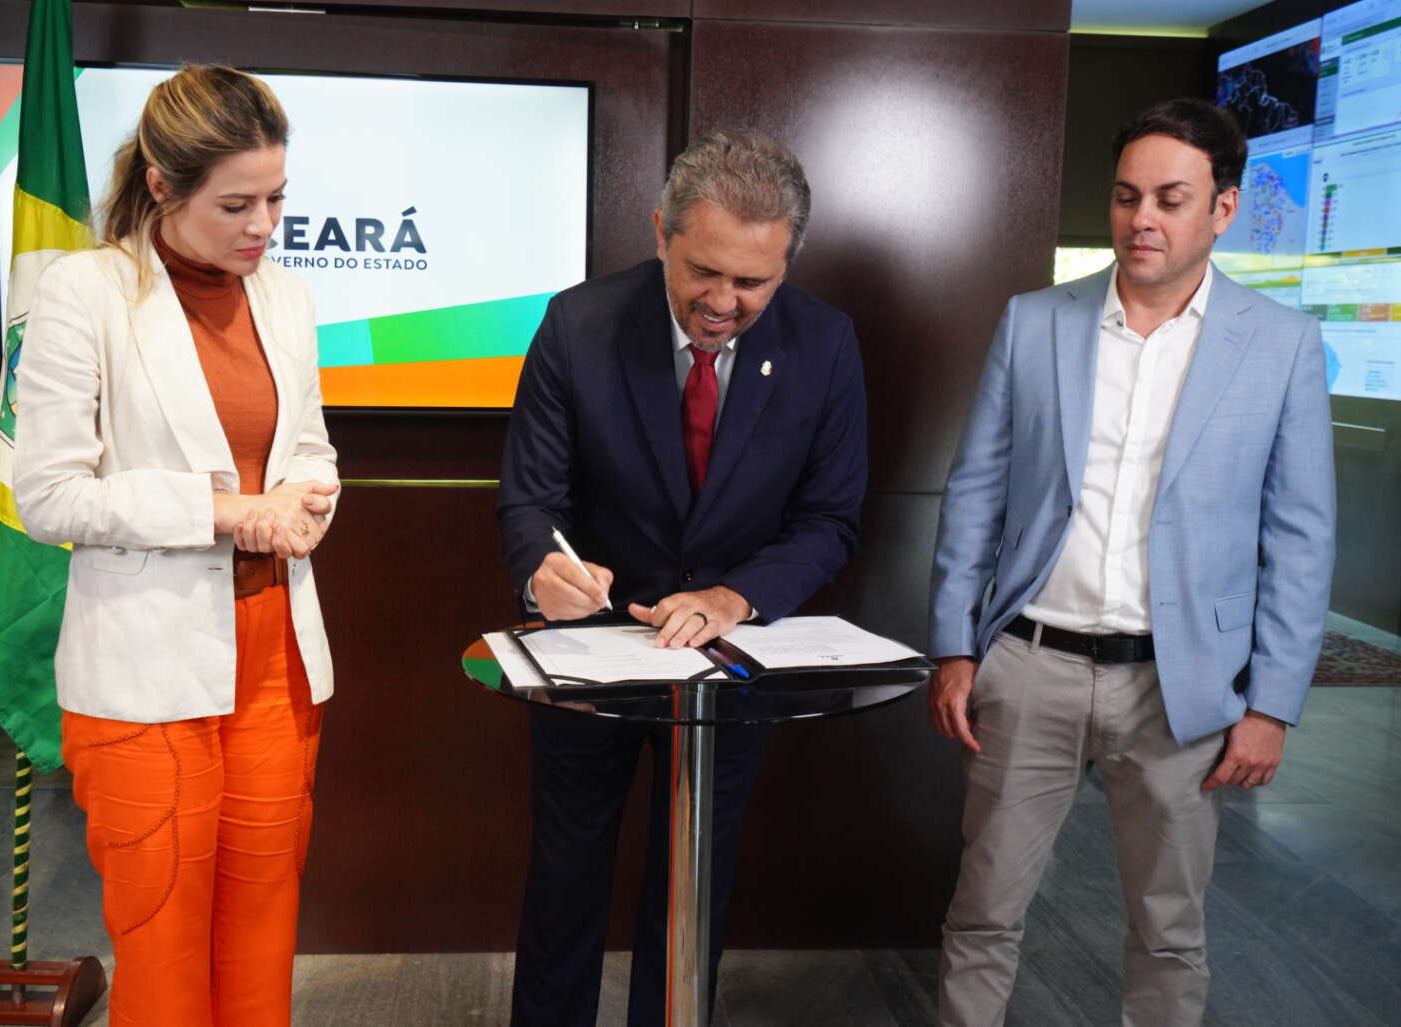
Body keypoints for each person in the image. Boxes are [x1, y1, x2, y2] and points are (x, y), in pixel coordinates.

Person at [927, 97, 1336, 1026]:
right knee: (983, 910)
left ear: (1223, 209)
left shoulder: (1282, 346)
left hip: (1183, 685)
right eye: (1125, 196)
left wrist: (1270, 704)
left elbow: (1301, 537)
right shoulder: (1035, 321)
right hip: (1030, 665)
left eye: (1169, 199)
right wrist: (955, 646)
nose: (1141, 217)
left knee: (1169, 929)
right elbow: (975, 490)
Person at [497, 129, 868, 1026]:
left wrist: (735, 596)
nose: (724, 302)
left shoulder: (824, 343)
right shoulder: (579, 323)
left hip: (727, 658)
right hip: (591, 647)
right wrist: (544, 573)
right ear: (661, 230)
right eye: (704, 270)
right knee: (566, 872)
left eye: (753, 281)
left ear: (788, 260)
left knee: (693, 882)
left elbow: (830, 520)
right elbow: (531, 498)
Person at [12, 65, 339, 1027]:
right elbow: (49, 495)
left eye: (277, 198)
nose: (263, 225)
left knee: (263, 923)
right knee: (163, 937)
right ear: (161, 184)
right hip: (145, 670)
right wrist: (226, 512)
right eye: (236, 204)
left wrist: (305, 502)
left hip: (276, 658)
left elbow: (310, 448)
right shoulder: (86, 291)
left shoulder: (286, 297)